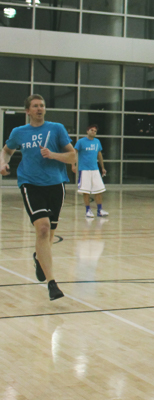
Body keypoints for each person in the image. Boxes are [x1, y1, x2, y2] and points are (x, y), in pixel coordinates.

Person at [0, 94, 76, 301]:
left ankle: (38, 258)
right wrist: (2, 163)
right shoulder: (19, 132)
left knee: (49, 235)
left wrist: (53, 155)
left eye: (42, 106)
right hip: (30, 184)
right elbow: (6, 151)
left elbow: (73, 156)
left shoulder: (56, 129)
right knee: (41, 228)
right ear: (28, 111)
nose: (39, 109)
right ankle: (52, 284)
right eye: (35, 106)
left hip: (56, 184)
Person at [72, 124, 108, 218]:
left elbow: (99, 155)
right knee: (86, 191)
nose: (93, 132)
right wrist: (73, 165)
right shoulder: (81, 142)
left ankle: (100, 210)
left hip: (95, 170)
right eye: (91, 130)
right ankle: (88, 210)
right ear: (87, 131)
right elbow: (73, 153)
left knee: (99, 190)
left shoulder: (97, 142)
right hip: (84, 170)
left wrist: (102, 167)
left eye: (95, 131)